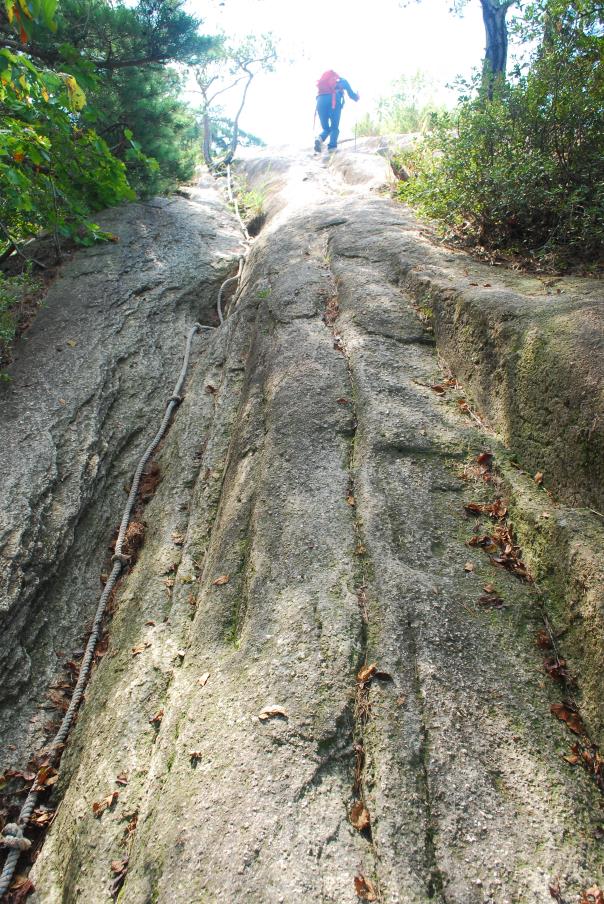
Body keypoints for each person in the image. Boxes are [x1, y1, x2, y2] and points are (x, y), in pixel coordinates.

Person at [314, 70, 359, 153]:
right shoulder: (342, 81)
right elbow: (352, 95)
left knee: (326, 128)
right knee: (334, 127)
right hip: (333, 100)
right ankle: (332, 148)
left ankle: (319, 139)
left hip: (320, 101)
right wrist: (357, 97)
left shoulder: (323, 84)